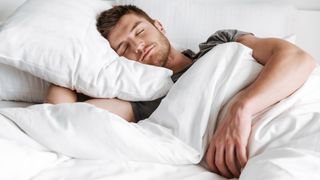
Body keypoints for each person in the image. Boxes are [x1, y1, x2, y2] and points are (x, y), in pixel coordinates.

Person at [44, 5, 317, 179]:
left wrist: (241, 109)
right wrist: (71, 66)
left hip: (299, 114)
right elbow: (64, 117)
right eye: (124, 48)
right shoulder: (148, 101)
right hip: (265, 153)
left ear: (159, 26)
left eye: (139, 32)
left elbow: (296, 58)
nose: (137, 46)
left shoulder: (219, 43)